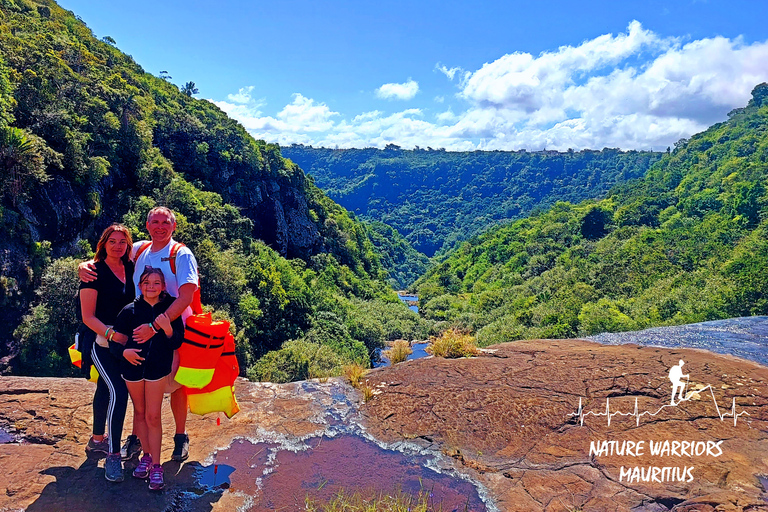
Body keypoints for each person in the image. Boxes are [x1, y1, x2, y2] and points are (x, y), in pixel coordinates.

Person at [79, 206, 199, 462]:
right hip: (138, 328)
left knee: (177, 383)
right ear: (147, 226)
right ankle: (137, 439)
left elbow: (187, 296)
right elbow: (111, 251)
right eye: (154, 222)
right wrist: (85, 265)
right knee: (139, 384)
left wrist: (157, 325)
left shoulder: (181, 254)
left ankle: (180, 436)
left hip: (172, 327)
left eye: (165, 222)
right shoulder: (140, 249)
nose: (159, 227)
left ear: (173, 226)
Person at [111, 267, 185, 490]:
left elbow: (176, 343)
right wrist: (125, 353)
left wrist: (167, 329)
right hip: (132, 370)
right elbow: (116, 343)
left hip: (157, 370)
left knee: (153, 416)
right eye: (146, 283)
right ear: (140, 285)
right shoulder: (129, 311)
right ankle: (146, 455)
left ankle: (156, 465)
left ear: (163, 286)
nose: (151, 287)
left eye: (156, 283)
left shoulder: (169, 311)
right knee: (140, 414)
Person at [79, 224, 135, 482]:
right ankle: (113, 456)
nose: (117, 246)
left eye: (122, 241)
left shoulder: (132, 268)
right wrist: (112, 334)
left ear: (128, 245)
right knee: (118, 390)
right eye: (112, 241)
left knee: (104, 387)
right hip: (100, 340)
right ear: (103, 243)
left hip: (124, 341)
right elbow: (88, 316)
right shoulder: (93, 272)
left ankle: (97, 440)